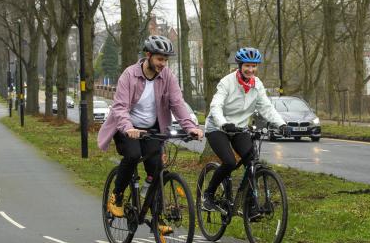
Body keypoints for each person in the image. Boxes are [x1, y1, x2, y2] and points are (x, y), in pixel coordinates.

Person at [97, 35, 203, 218]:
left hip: (152, 129)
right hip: (126, 127)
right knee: (133, 155)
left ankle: (156, 215)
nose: (163, 64)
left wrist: (190, 127)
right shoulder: (129, 75)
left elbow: (177, 103)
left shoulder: (168, 77)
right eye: (159, 59)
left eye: (166, 60)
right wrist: (128, 128)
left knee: (157, 167)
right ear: (148, 55)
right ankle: (118, 195)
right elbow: (120, 107)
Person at [202, 47, 287, 216]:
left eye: (254, 66)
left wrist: (282, 125)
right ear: (240, 65)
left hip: (240, 128)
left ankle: (250, 207)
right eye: (247, 65)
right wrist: (223, 123)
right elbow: (216, 105)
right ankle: (209, 195)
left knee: (252, 162)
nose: (251, 69)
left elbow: (266, 108)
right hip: (218, 127)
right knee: (230, 162)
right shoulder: (227, 82)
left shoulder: (257, 85)